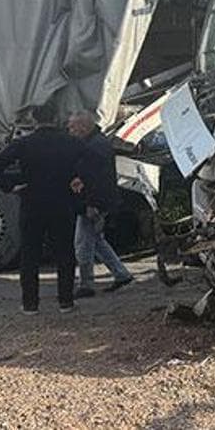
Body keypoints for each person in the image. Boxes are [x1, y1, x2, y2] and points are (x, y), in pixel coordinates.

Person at [0, 104, 83, 315]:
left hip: (32, 204)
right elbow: (89, 163)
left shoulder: (24, 144)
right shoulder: (71, 143)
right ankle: (65, 301)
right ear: (57, 117)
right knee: (65, 253)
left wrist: (11, 186)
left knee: (30, 255)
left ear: (33, 120)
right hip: (62, 204)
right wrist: (77, 180)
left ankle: (30, 304)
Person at [68, 110, 134, 297]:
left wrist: (91, 204)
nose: (69, 130)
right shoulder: (98, 143)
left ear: (83, 127)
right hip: (99, 201)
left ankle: (86, 284)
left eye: (72, 126)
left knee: (82, 244)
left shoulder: (93, 148)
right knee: (96, 241)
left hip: (93, 203)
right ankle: (121, 274)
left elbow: (97, 180)